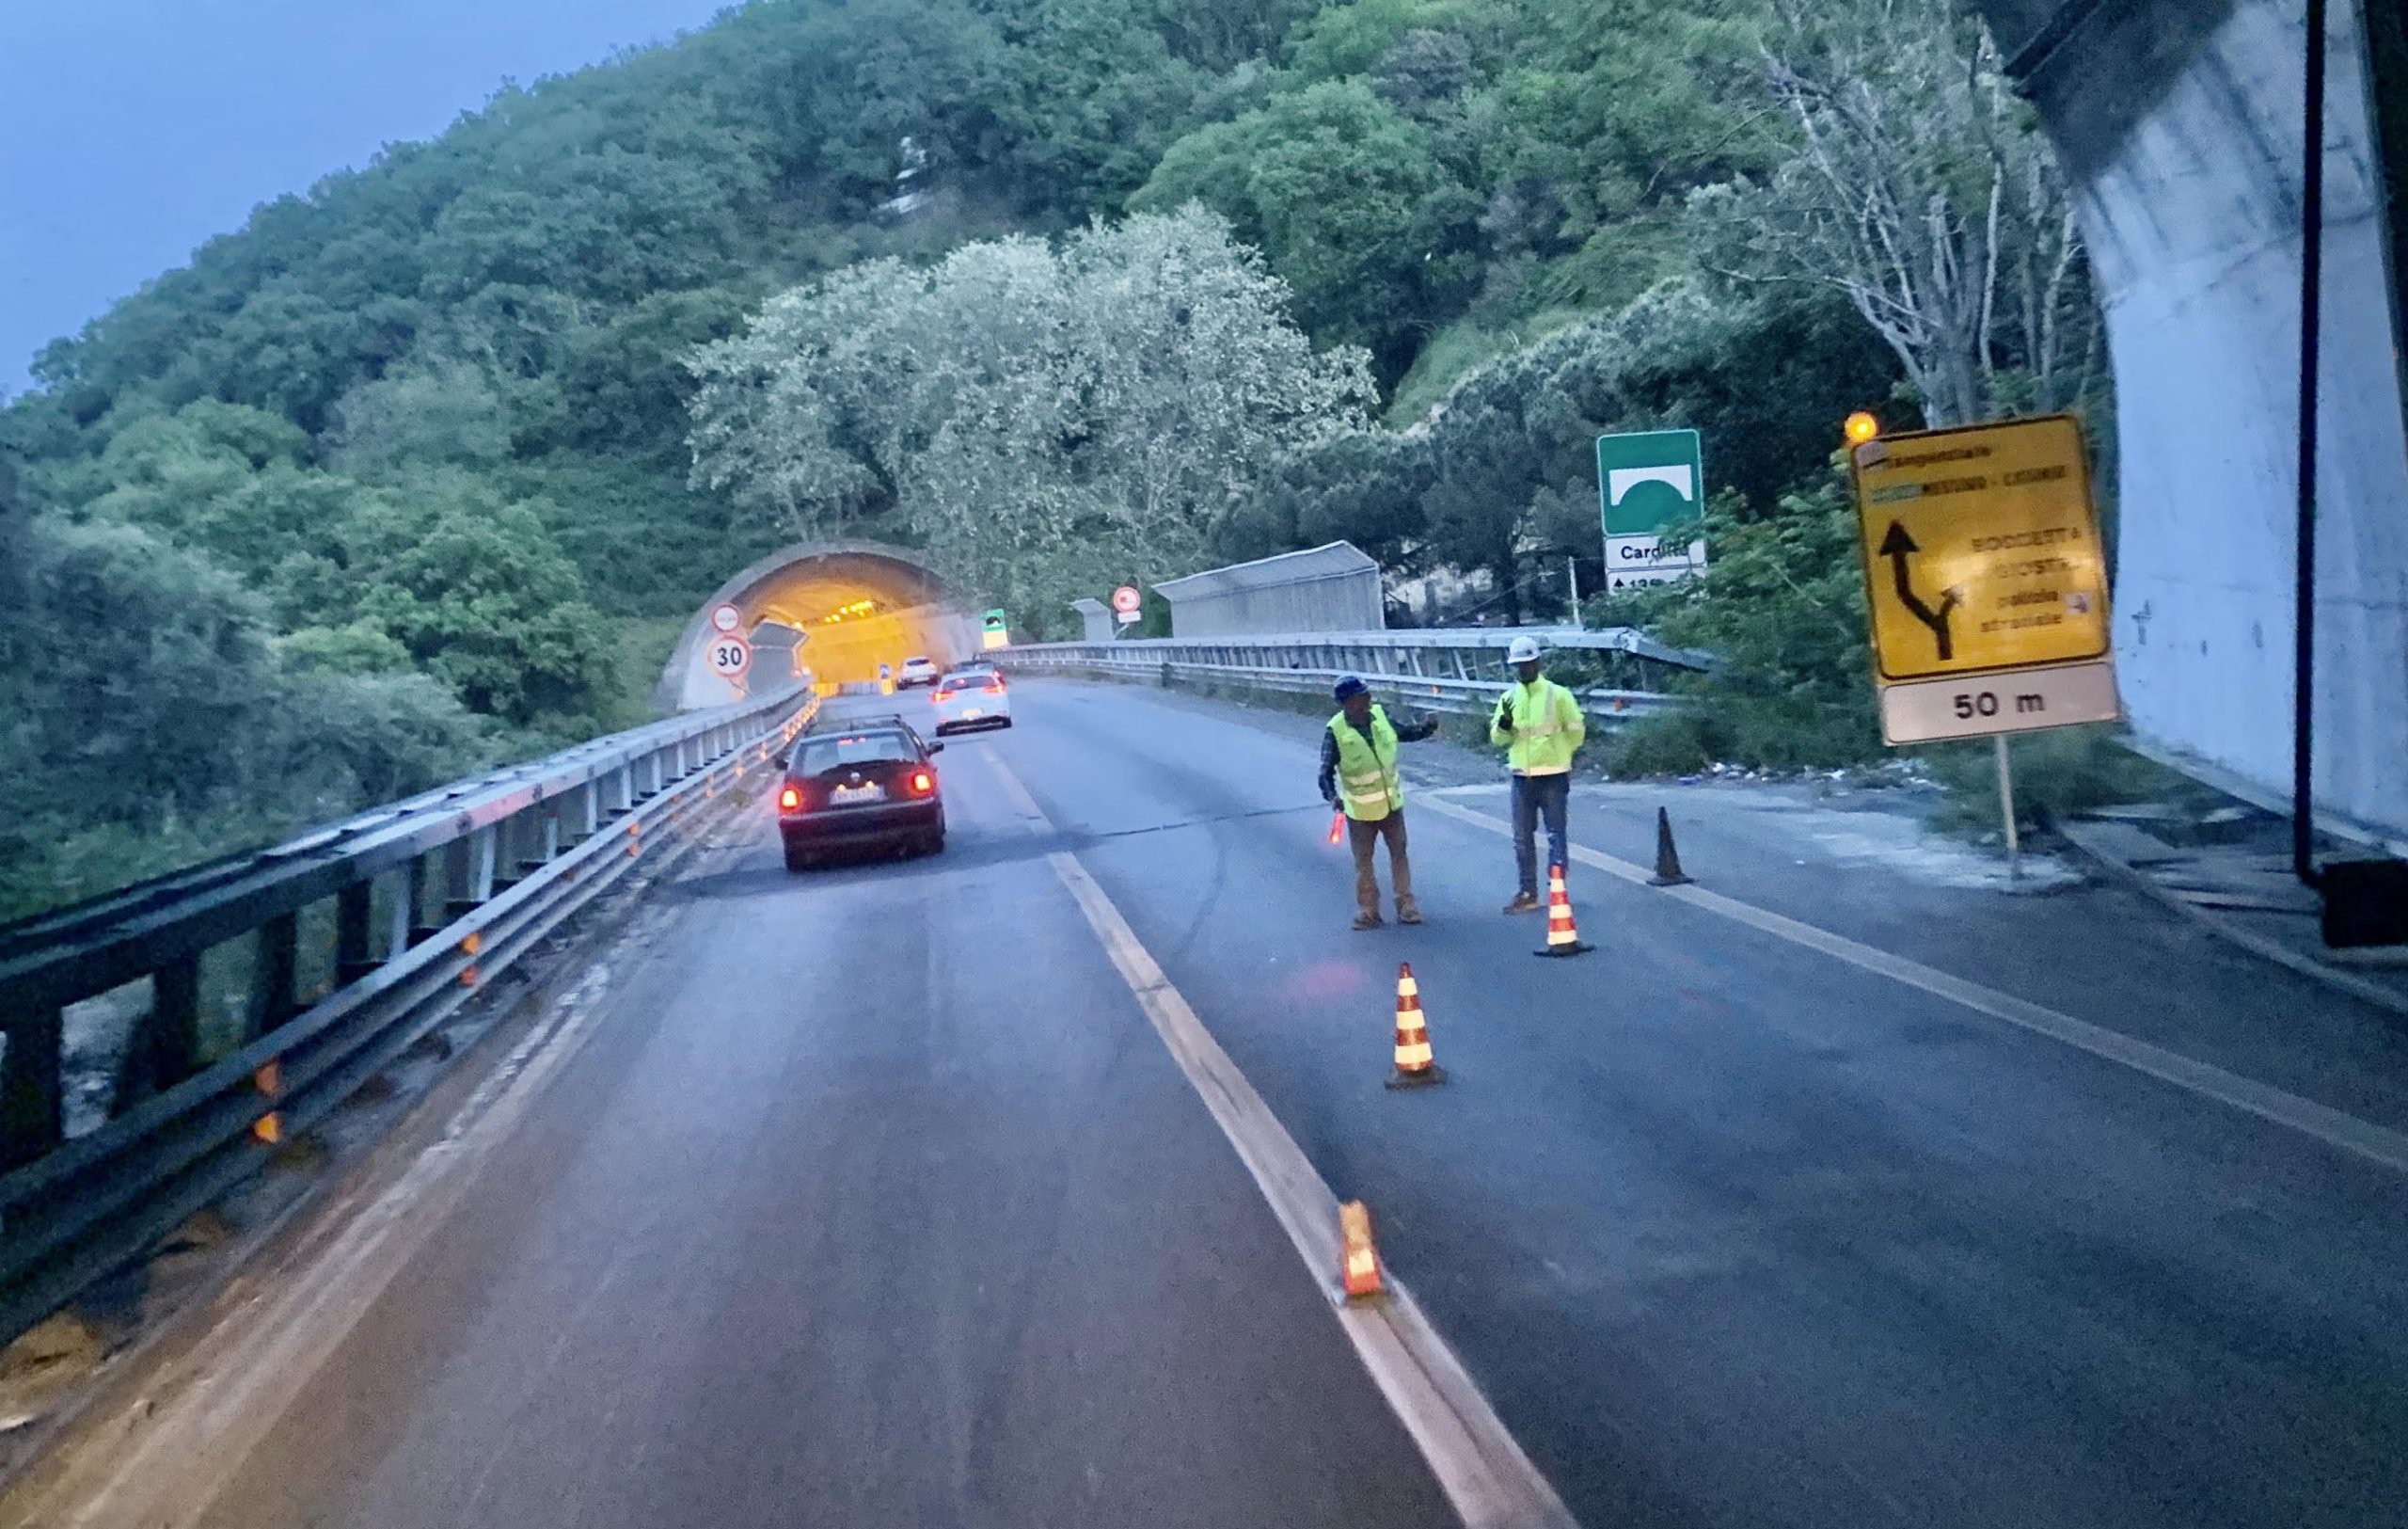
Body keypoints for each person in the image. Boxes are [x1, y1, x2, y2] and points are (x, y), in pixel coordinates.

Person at [1318, 676, 1439, 930]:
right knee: (1364, 862)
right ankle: (1369, 911)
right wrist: (1333, 797)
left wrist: (1427, 728)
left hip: (1391, 804)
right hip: (1360, 811)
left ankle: (1406, 906)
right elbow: (1325, 771)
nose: (1368, 698)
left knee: (1399, 854)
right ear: (1348, 702)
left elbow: (1405, 733)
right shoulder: (1336, 730)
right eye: (1362, 695)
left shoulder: (1380, 716)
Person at [1491, 636, 1586, 913]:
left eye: (1528, 663)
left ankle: (1557, 889)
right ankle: (1528, 892)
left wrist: (1560, 756)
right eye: (1519, 665)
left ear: (1538, 663)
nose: (1523, 669)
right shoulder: (1508, 699)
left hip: (1554, 774)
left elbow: (1576, 732)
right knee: (1522, 837)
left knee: (1555, 834)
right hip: (1523, 776)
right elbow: (1497, 739)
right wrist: (1504, 726)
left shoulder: (1558, 695)